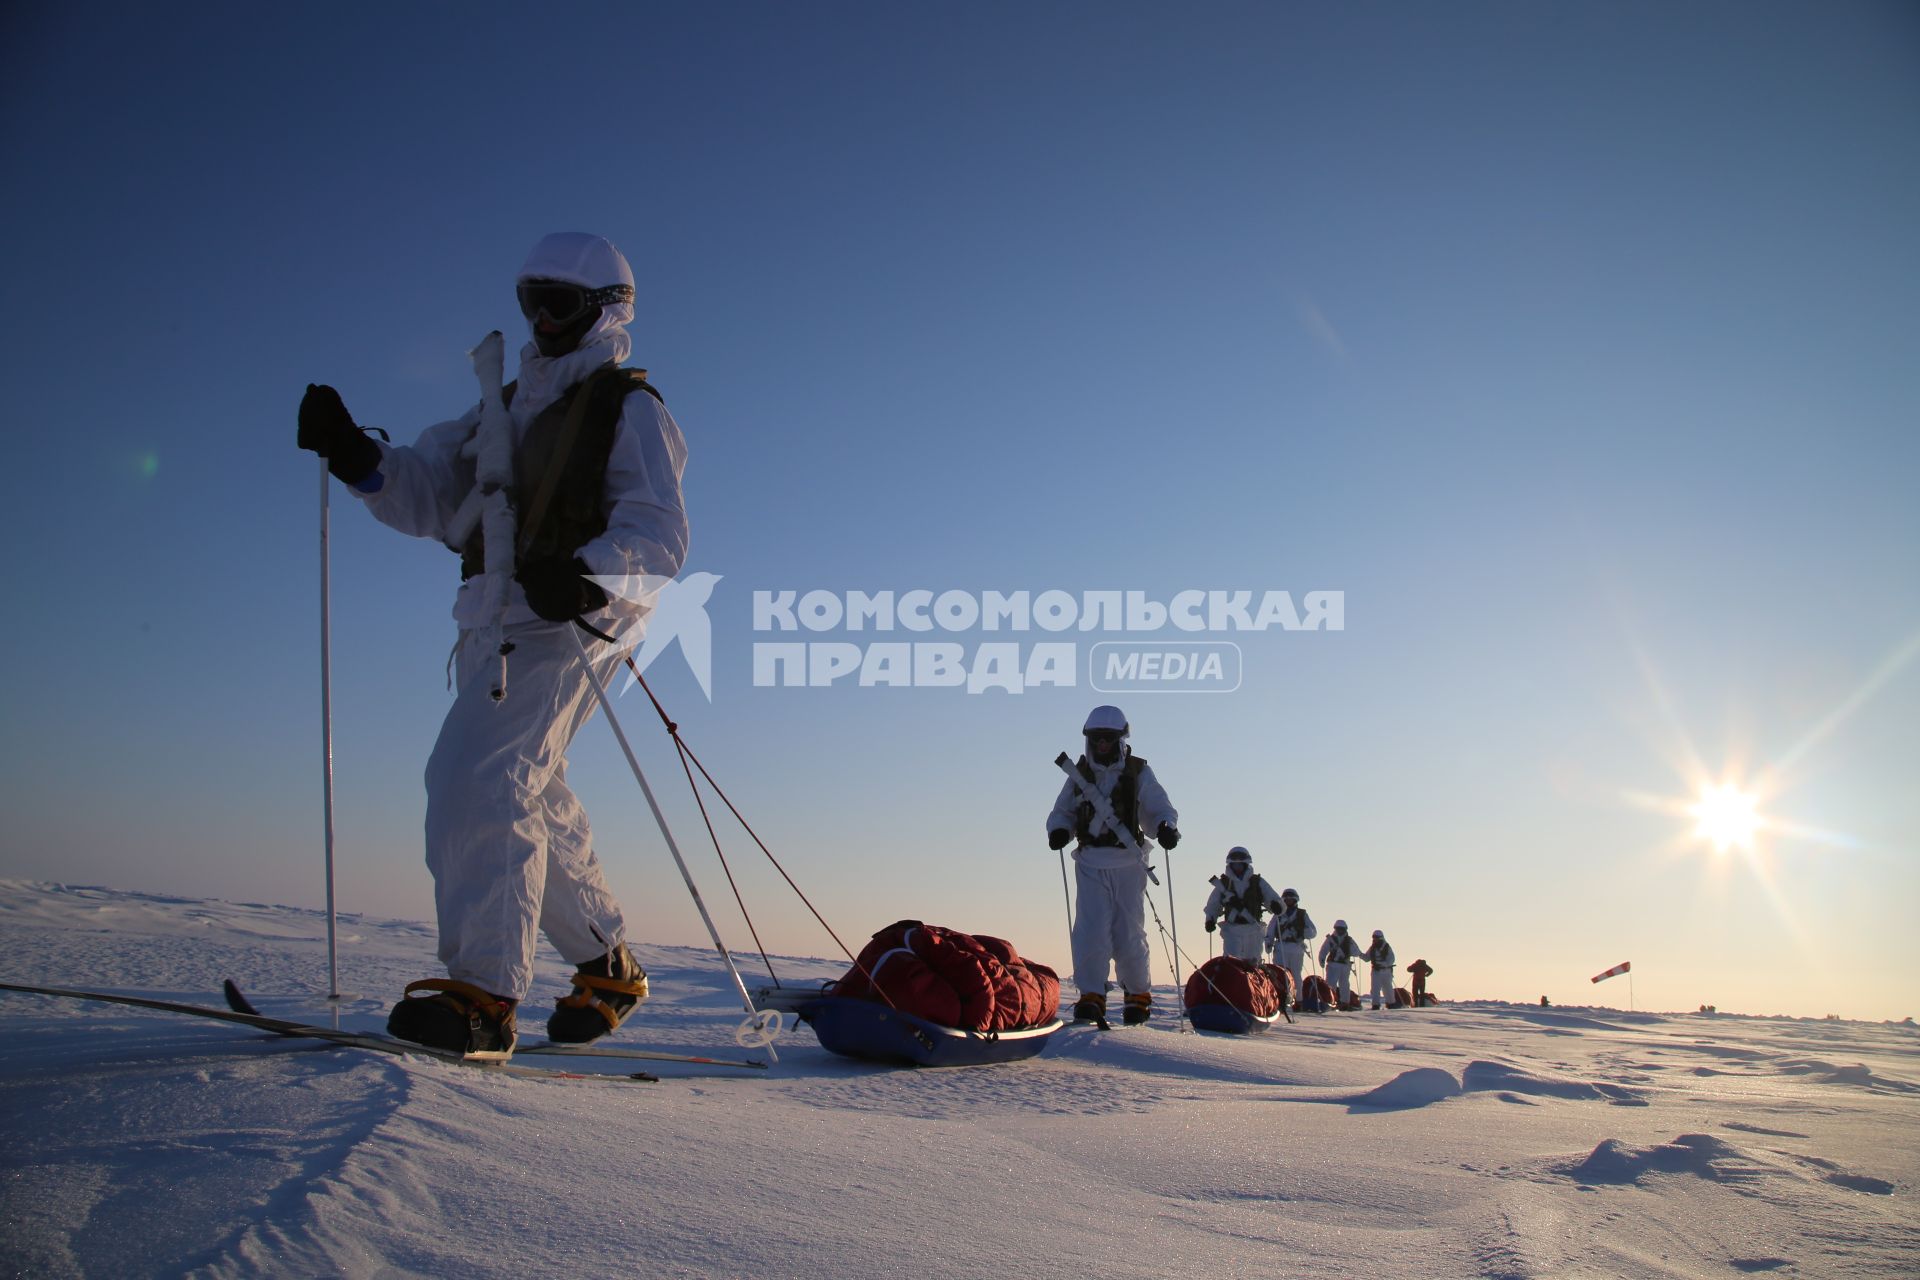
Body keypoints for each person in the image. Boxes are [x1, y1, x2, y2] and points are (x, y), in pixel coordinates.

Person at [297, 232, 687, 1055]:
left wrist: (588, 577)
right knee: (528, 786)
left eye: (562, 304)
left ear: (608, 311)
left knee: (478, 773)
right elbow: (436, 496)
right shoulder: (501, 410)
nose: (543, 321)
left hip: (572, 624)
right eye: (530, 302)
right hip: (489, 615)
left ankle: (483, 996)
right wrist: (357, 456)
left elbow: (657, 537)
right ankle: (606, 961)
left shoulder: (628, 407)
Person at [1046, 705, 1179, 1026]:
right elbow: (1062, 810)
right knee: (1090, 930)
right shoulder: (1079, 776)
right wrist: (1059, 829)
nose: (1103, 744)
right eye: (1098, 739)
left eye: (1108, 739)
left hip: (1128, 861)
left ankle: (1137, 994)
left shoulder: (1138, 772)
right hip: (1090, 861)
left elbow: (1158, 804)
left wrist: (1165, 826)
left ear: (1120, 740)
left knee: (1128, 931)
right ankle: (1091, 994)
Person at [1202, 847, 1283, 965]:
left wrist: (1276, 905)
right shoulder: (1224, 884)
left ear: (1246, 865)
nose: (1238, 868)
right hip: (1231, 930)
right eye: (1235, 865)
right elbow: (1213, 904)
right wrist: (1210, 919)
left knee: (1254, 964)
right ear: (1230, 866)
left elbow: (1272, 897)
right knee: (1231, 965)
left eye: (1240, 865)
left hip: (1253, 929)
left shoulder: (1258, 882)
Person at [1263, 887, 1317, 998]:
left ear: (1295, 900)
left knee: (1296, 975)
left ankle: (1297, 999)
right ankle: (1281, 998)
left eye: (1290, 899)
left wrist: (1302, 932)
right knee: (1280, 974)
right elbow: (1271, 930)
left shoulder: (1302, 914)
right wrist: (1268, 942)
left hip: (1296, 948)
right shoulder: (1278, 914)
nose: (1288, 901)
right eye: (1286, 899)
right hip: (1280, 946)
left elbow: (1313, 932)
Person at [1318, 919, 1360, 1009]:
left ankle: (1345, 1003)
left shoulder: (1349, 940)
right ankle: (1330, 1001)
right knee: (1330, 983)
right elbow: (1324, 950)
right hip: (1333, 964)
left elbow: (1356, 952)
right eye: (1338, 929)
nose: (1340, 930)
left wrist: (1349, 951)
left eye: (1342, 929)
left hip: (1345, 965)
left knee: (1344, 984)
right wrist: (1321, 959)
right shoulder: (1330, 939)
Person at [1363, 928, 1396, 1010]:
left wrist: (1383, 964)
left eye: (1376, 937)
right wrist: (1359, 954)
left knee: (1388, 988)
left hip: (1386, 971)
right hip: (1376, 971)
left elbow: (1391, 959)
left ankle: (1391, 1003)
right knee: (1375, 989)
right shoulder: (1372, 948)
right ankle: (1375, 1005)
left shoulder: (1386, 947)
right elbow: (1367, 958)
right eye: (1374, 937)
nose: (1375, 939)